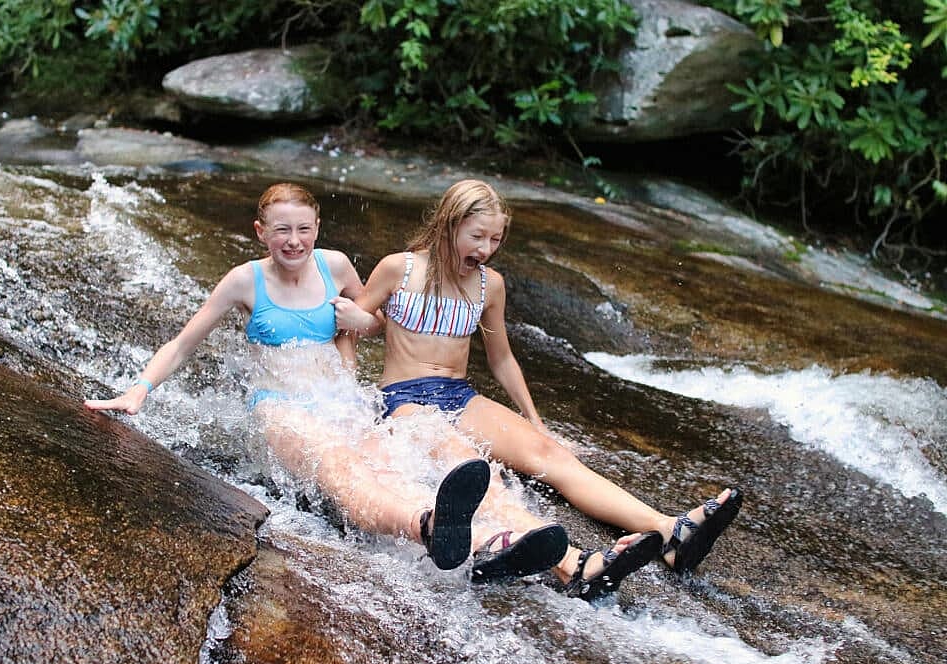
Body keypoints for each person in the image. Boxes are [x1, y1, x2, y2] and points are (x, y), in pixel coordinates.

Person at [84, 182, 640, 598]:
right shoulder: (243, 280)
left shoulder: (337, 266)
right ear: (261, 232)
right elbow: (183, 343)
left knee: (450, 448)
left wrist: (354, 351)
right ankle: (440, 530)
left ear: (318, 227)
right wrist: (139, 391)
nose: (293, 240)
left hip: (344, 402)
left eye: (303, 228)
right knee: (344, 467)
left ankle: (570, 562)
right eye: (281, 229)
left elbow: (366, 323)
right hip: (280, 407)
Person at [332, 179, 743, 579]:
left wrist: (534, 420)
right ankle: (574, 564)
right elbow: (355, 324)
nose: (486, 250)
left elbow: (503, 358)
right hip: (405, 400)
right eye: (477, 237)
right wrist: (350, 394)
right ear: (449, 223)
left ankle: (673, 533)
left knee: (552, 456)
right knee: (473, 466)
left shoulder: (488, 286)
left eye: (495, 240)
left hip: (459, 394)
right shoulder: (398, 269)